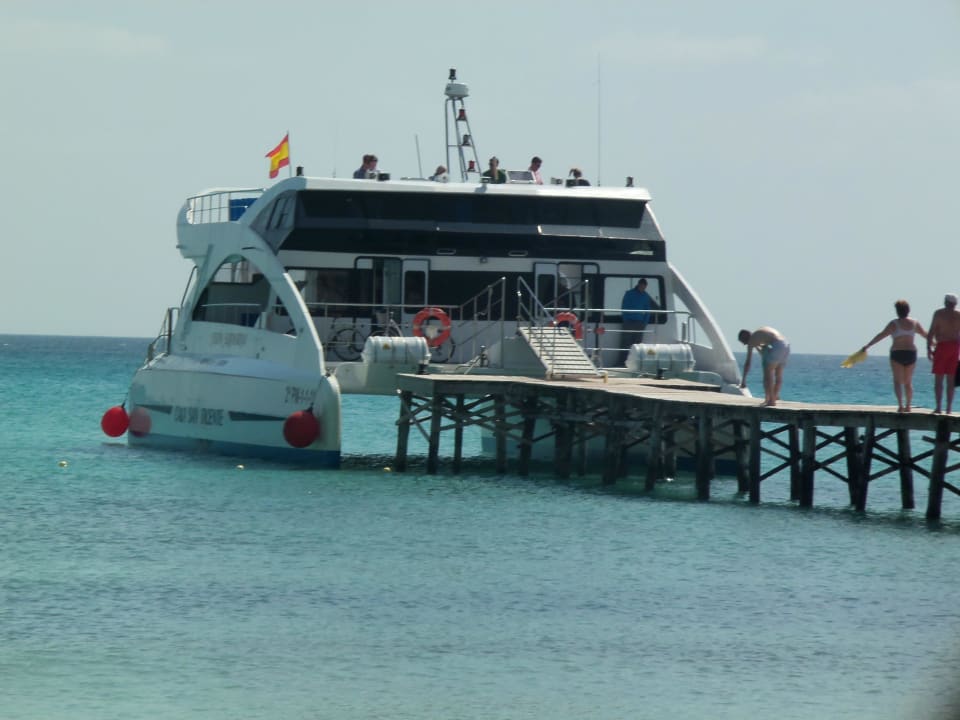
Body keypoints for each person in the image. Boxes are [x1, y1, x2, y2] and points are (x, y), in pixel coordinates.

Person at [859, 300, 928, 413]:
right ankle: (908, 406)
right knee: (908, 382)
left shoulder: (894, 324)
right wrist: (935, 343)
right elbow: (925, 334)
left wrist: (868, 345)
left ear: (897, 311)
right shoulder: (914, 323)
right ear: (908, 310)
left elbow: (881, 335)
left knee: (897, 381)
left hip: (897, 353)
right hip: (911, 353)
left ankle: (901, 405)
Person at [738, 327, 790, 407]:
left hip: (777, 346)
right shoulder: (760, 333)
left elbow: (748, 362)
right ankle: (774, 396)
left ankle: (771, 401)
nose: (745, 344)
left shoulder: (752, 340)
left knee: (767, 375)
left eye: (744, 342)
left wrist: (743, 381)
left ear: (745, 337)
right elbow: (764, 350)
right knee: (778, 374)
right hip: (785, 345)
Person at [927, 293, 960, 414]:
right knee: (951, 380)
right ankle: (949, 408)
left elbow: (931, 332)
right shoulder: (958, 315)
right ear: (955, 303)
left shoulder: (939, 313)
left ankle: (939, 407)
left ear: (945, 302)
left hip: (942, 346)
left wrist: (928, 348)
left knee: (939, 379)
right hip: (955, 347)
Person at [620, 279, 655, 366]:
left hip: (639, 323)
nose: (643, 288)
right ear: (638, 285)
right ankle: (623, 362)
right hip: (628, 322)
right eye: (642, 286)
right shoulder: (629, 294)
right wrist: (626, 320)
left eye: (644, 287)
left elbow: (647, 311)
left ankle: (636, 363)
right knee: (626, 343)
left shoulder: (645, 296)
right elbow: (624, 307)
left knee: (637, 344)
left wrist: (644, 323)